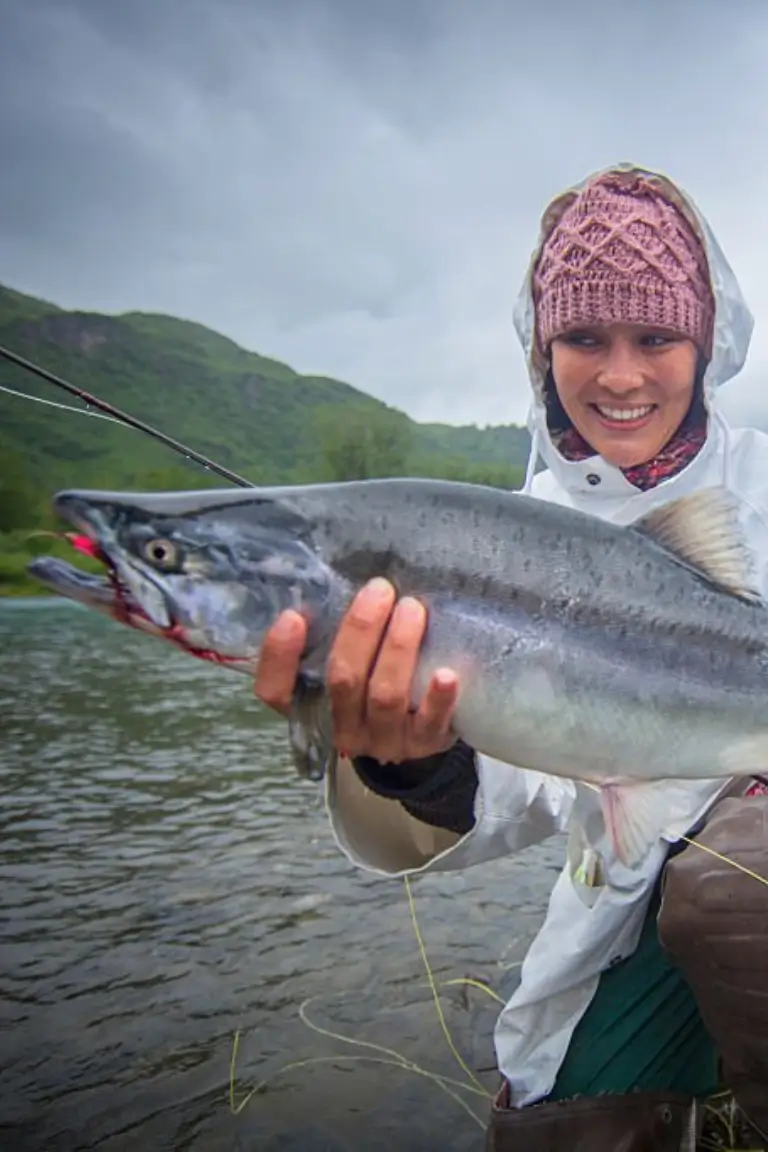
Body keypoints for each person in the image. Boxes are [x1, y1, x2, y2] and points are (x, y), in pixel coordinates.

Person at [253, 163, 768, 1151]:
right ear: (542, 349)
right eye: (584, 337)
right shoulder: (514, 531)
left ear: (707, 344)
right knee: (548, 1128)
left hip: (738, 884)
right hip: (630, 892)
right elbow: (526, 790)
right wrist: (424, 766)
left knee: (737, 883)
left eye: (655, 337)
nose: (621, 376)